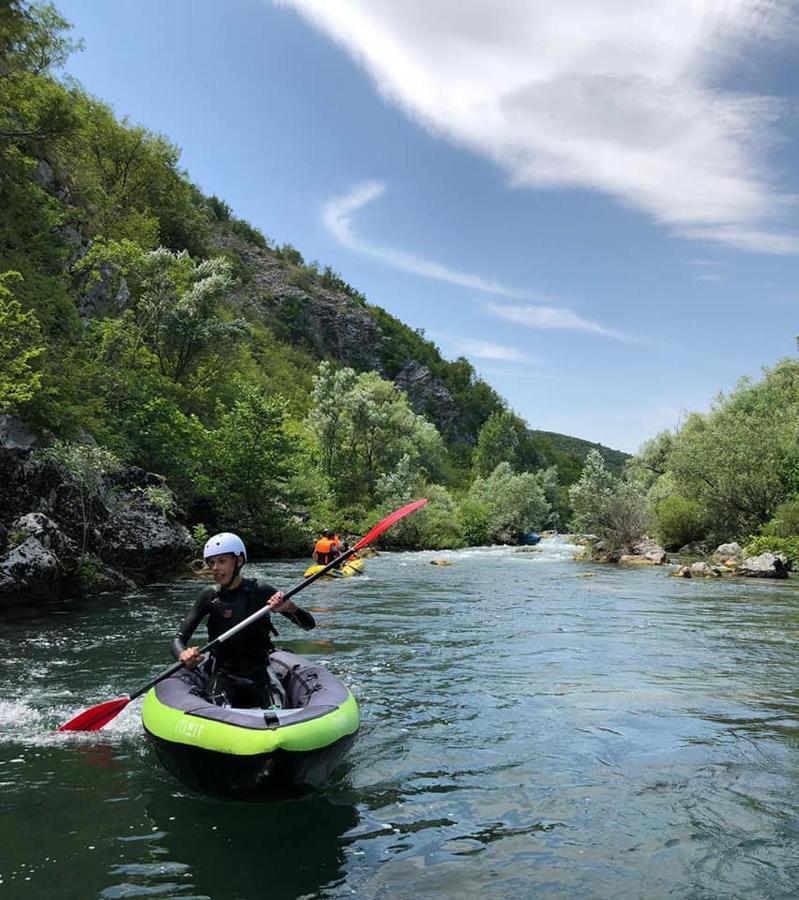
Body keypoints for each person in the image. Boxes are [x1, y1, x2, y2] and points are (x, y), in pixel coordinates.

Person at [173, 532, 315, 708]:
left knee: (277, 709)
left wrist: (291, 608)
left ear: (239, 561)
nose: (215, 567)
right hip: (223, 674)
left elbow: (309, 625)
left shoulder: (261, 591)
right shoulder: (208, 596)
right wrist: (183, 654)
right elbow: (179, 638)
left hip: (260, 673)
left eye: (222, 561)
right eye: (211, 562)